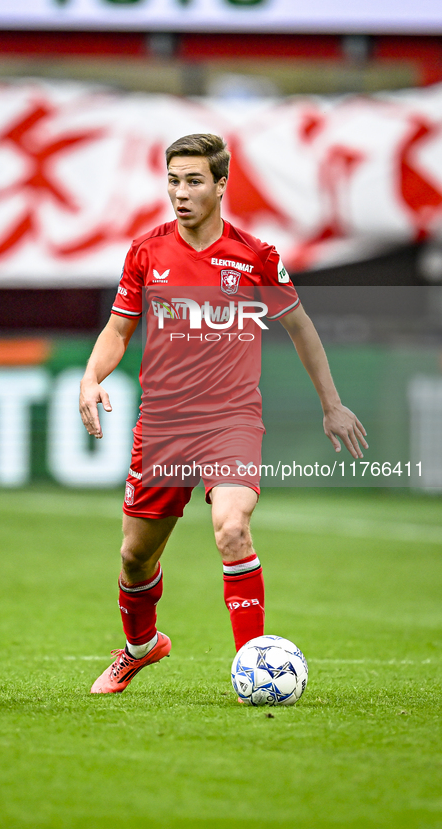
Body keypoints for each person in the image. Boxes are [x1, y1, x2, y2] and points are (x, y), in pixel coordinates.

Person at [79, 133, 367, 695]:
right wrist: (91, 378)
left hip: (231, 419)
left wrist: (332, 406)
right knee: (135, 558)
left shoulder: (255, 256)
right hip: (162, 426)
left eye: (192, 181)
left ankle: (252, 669)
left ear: (220, 184)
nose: (180, 193)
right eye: (172, 181)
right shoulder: (146, 252)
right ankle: (141, 647)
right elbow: (118, 330)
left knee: (232, 528)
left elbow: (301, 327)